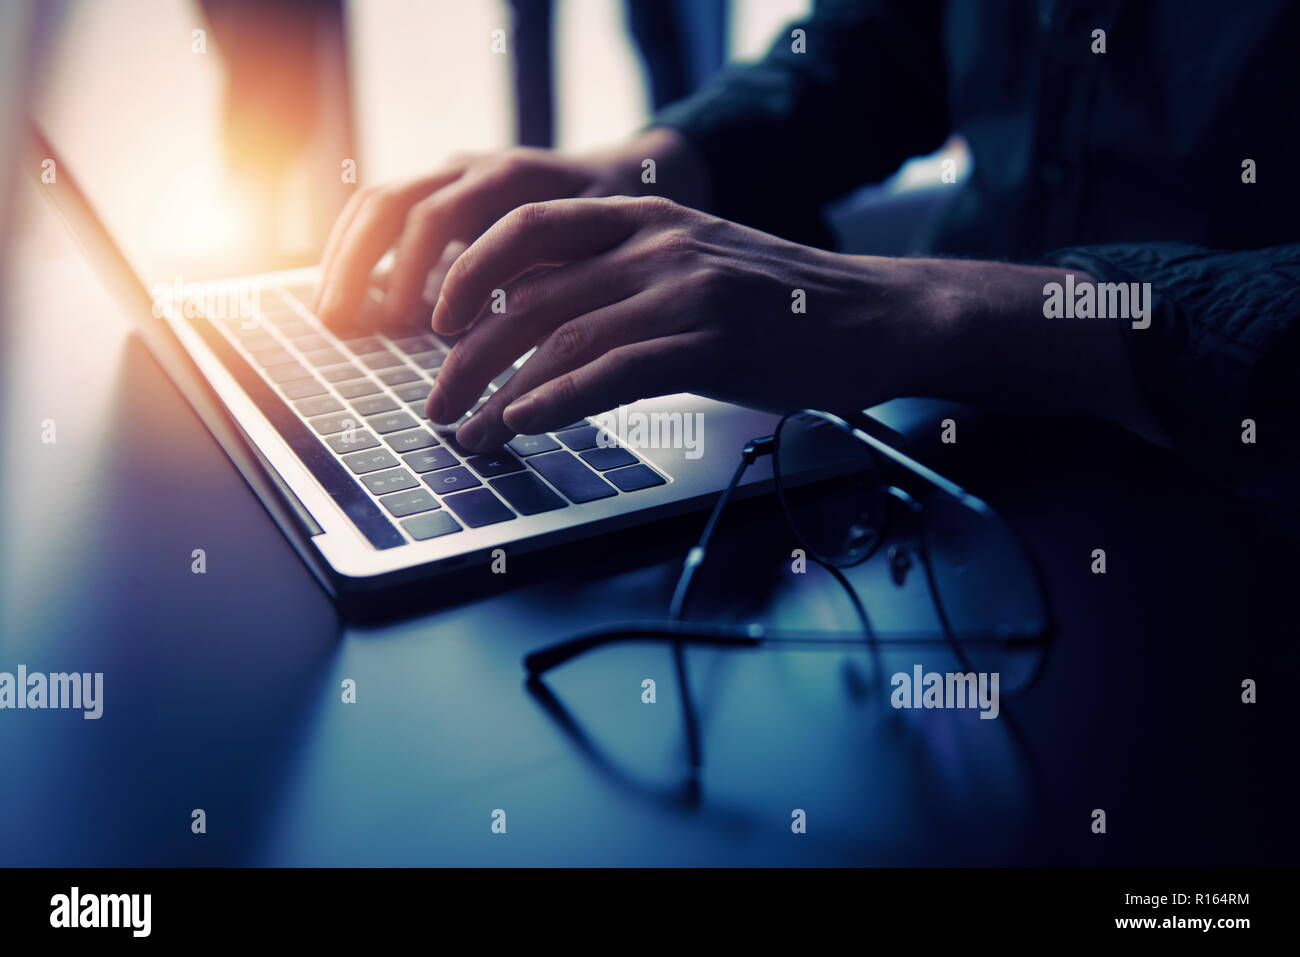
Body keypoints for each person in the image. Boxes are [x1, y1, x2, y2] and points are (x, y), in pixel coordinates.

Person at [312, 0, 1299, 514]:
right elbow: (889, 39)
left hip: (1230, 521)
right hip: (939, 448)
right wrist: (659, 159)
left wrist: (923, 309)